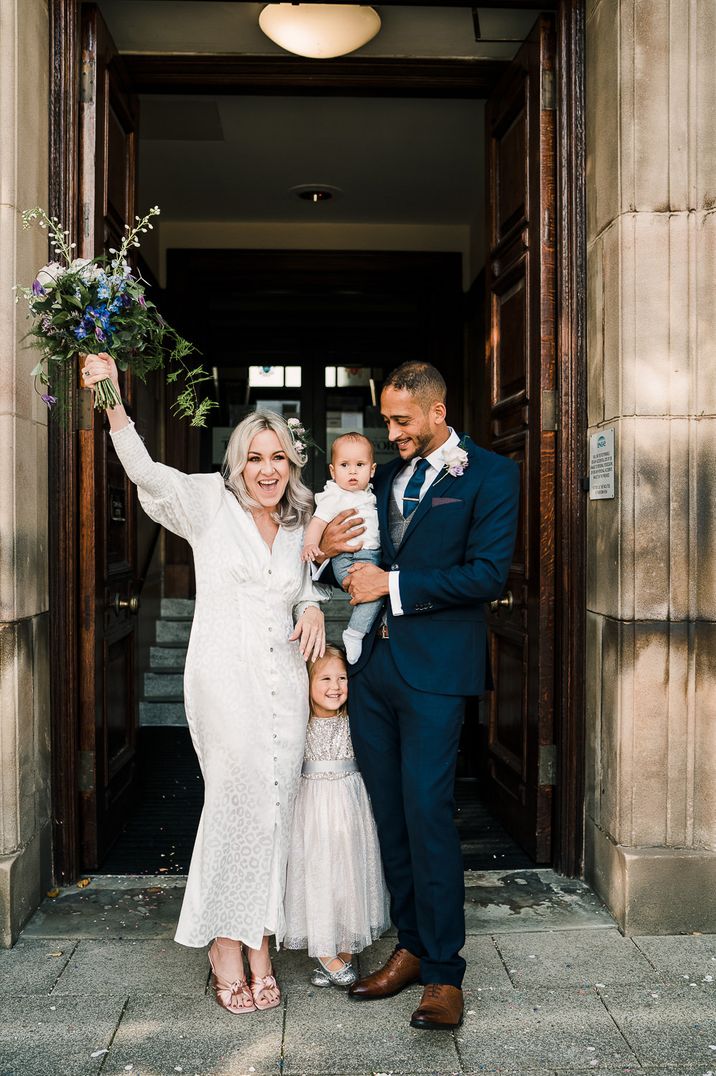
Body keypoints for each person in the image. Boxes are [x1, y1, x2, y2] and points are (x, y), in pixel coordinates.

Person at [81, 353, 326, 1016]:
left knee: (276, 804)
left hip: (283, 685)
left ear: (291, 463)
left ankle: (260, 942)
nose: (268, 470)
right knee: (236, 799)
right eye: (255, 459)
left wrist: (308, 608)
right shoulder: (208, 503)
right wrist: (110, 393)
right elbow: (142, 470)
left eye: (278, 458)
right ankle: (224, 940)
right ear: (236, 463)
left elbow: (304, 587)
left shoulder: (301, 518)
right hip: (223, 679)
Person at [315, 361, 519, 1031]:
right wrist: (325, 555)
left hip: (437, 674)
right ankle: (409, 945)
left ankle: (443, 974)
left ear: (438, 411)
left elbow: (487, 574)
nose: (391, 432)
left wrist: (392, 589)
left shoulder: (489, 475)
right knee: (390, 814)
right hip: (374, 671)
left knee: (429, 813)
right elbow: (354, 552)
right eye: (388, 419)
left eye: (402, 421)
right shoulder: (384, 480)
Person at [283, 645, 389, 987]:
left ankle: (343, 949)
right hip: (312, 806)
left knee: (349, 871)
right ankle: (325, 951)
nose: (335, 686)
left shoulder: (354, 718)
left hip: (350, 802)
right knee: (317, 871)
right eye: (325, 678)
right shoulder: (300, 721)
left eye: (342, 678)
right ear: (307, 683)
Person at [301, 433, 381, 663]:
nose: (353, 471)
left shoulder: (371, 495)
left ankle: (358, 630)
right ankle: (355, 632)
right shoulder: (334, 497)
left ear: (372, 470)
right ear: (333, 472)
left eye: (360, 465)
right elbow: (318, 522)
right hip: (347, 558)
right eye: (345, 465)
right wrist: (311, 544)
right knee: (373, 593)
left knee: (377, 591)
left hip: (372, 556)